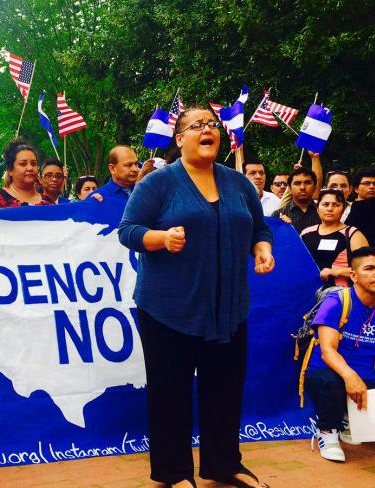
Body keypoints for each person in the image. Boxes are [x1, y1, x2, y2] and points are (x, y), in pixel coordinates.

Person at [118, 106, 273, 488]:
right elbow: (128, 230)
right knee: (170, 393)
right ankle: (174, 473)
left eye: (213, 125)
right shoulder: (159, 182)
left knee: (224, 390)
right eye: (197, 125)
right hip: (169, 309)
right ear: (180, 138)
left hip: (228, 310)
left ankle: (224, 465)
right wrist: (159, 238)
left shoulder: (238, 183)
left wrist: (262, 249)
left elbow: (260, 227)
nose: (208, 130)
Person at [304, 246, 375, 462]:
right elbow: (327, 351)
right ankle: (328, 432)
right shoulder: (337, 301)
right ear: (353, 275)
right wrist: (350, 376)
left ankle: (353, 422)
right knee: (332, 381)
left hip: (366, 374)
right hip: (328, 373)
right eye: (370, 268)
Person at [301, 189, 368, 289]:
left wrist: (336, 271)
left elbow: (368, 268)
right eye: (325, 204)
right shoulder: (306, 232)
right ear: (317, 208)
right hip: (307, 292)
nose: (330, 209)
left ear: (343, 209)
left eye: (336, 205)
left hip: (340, 295)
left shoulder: (352, 234)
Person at [0, 140, 50, 209]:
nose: (30, 168)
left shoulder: (48, 203)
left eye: (33, 164)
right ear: (10, 170)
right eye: (23, 164)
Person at [271, 167, 320, 235]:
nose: (302, 187)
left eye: (307, 183)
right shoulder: (279, 215)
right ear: (290, 189)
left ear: (314, 187)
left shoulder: (323, 213)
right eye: (297, 183)